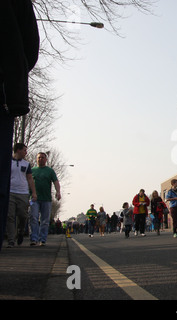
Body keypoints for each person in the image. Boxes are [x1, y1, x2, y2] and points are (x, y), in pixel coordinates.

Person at [0, 0, 40, 251]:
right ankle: (11, 238)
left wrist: (13, 71)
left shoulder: (17, 3)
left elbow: (30, 48)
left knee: (18, 214)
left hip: (2, 96)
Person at [6, 143, 37, 247]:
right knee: (10, 216)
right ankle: (11, 240)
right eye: (24, 150)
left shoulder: (26, 164)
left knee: (22, 216)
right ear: (18, 150)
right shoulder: (8, 162)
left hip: (23, 193)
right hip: (10, 192)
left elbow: (29, 178)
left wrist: (33, 192)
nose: (26, 152)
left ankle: (20, 231)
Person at [29, 152, 61, 246]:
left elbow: (56, 182)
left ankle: (42, 239)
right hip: (34, 198)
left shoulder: (50, 171)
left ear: (46, 159)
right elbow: (28, 181)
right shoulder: (32, 170)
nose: (40, 159)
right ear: (36, 159)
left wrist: (58, 192)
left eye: (42, 157)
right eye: (39, 157)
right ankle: (34, 238)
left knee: (45, 220)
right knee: (33, 217)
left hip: (46, 199)